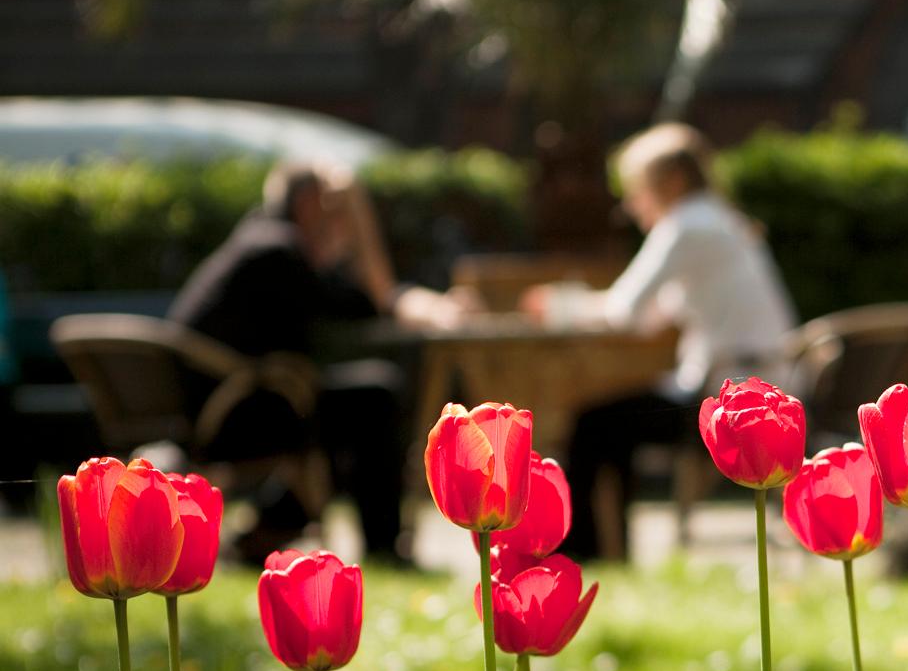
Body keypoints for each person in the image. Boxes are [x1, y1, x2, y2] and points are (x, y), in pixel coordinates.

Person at [170, 162, 468, 560]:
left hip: (229, 402)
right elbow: (360, 303)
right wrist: (358, 234)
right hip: (233, 414)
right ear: (310, 204)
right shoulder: (277, 251)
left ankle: (270, 528)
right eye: (334, 210)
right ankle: (381, 544)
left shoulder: (259, 242)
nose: (337, 222)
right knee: (374, 398)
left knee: (354, 400)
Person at [524, 123, 797, 557]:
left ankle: (586, 554)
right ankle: (612, 551)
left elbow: (625, 312)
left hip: (728, 396)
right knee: (611, 424)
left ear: (670, 183)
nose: (632, 205)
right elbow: (652, 316)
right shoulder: (721, 221)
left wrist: (559, 306)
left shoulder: (685, 226)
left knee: (593, 425)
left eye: (637, 189)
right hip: (766, 386)